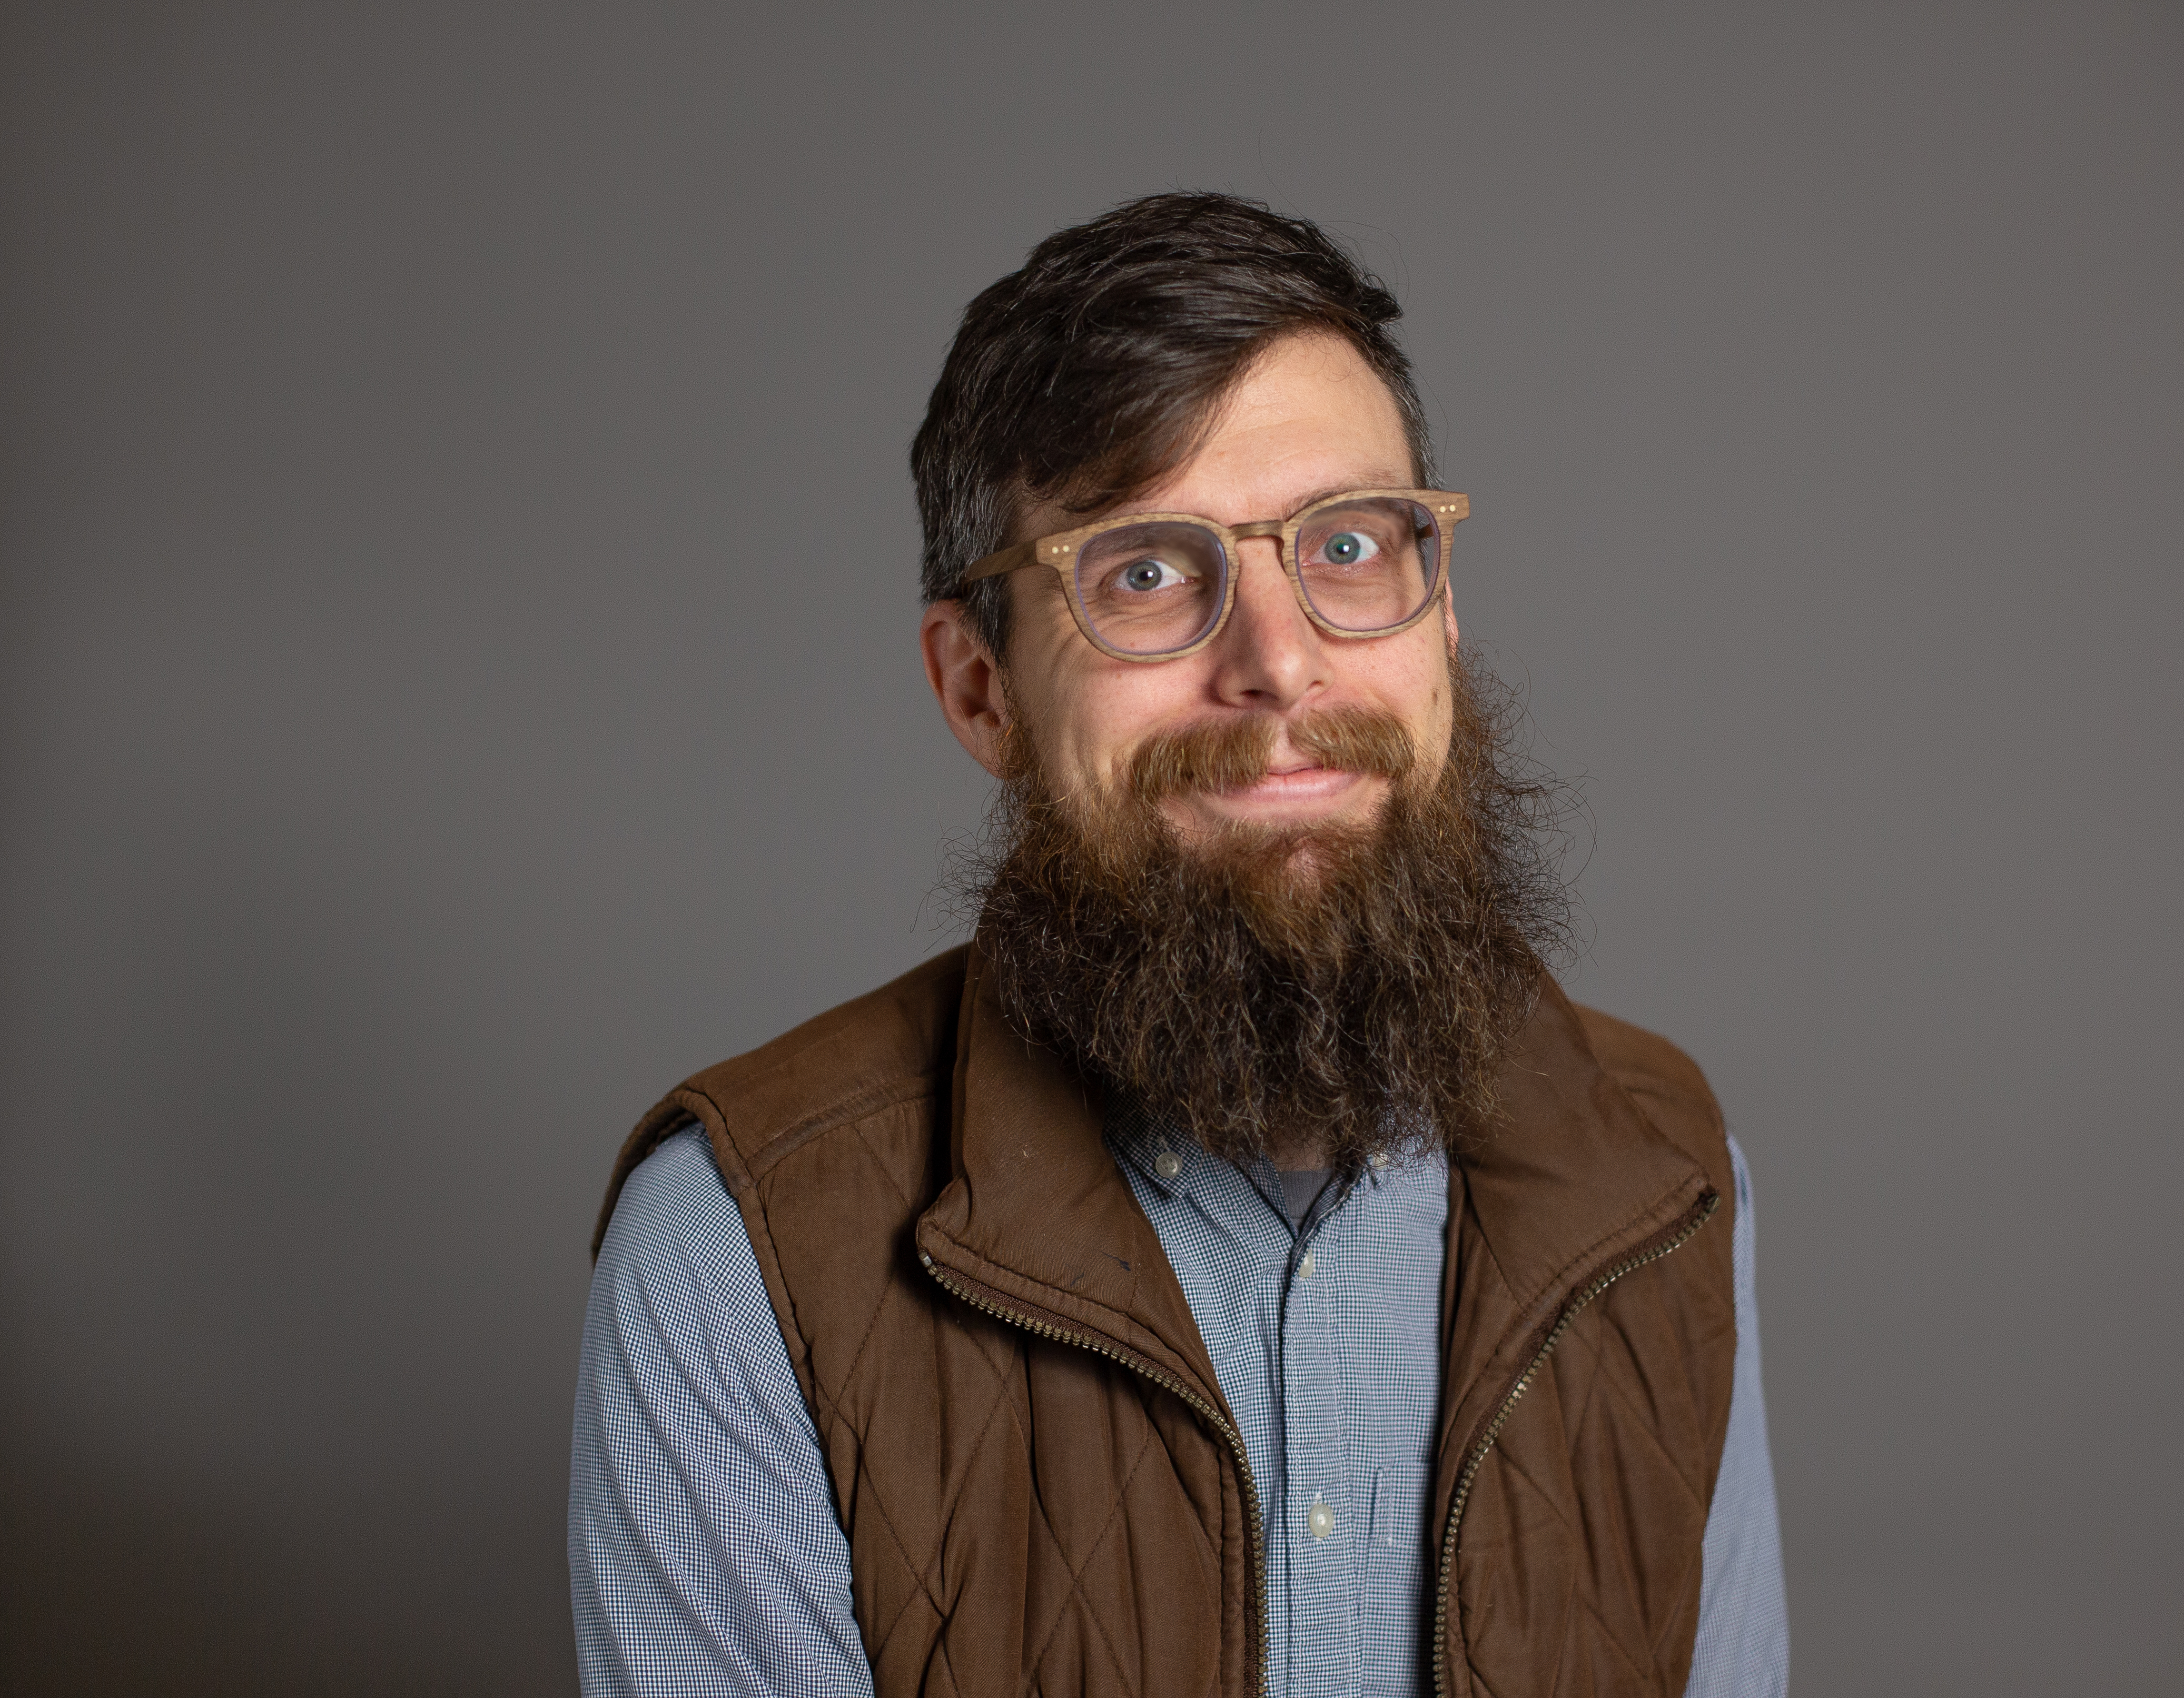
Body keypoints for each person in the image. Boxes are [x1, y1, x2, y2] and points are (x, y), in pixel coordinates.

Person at [569, 192, 1787, 1697]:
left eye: (1350, 544)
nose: (1280, 662)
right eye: (1145, 570)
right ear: (981, 690)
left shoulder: (1664, 1174)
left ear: (1443, 615)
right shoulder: (737, 1256)